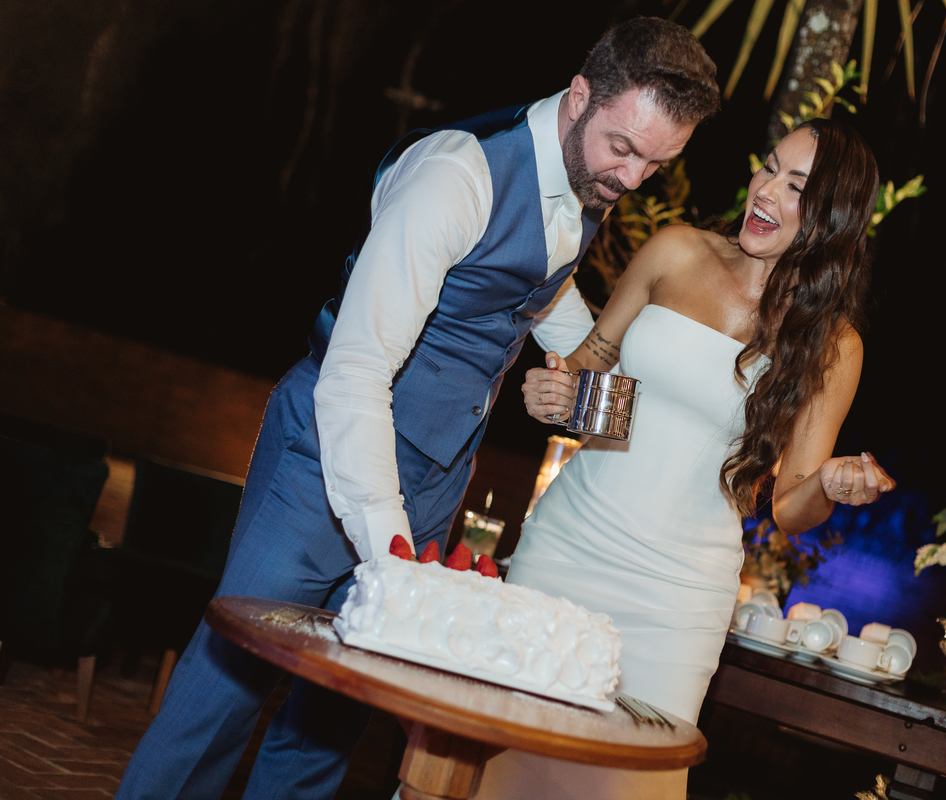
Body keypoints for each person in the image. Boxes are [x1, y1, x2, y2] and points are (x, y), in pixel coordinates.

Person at [114, 18, 720, 800]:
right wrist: (390, 551)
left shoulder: (583, 176)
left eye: (657, 164)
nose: (633, 177)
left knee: (331, 721)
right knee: (226, 688)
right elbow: (355, 370)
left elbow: (536, 283)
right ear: (579, 96)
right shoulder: (455, 177)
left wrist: (618, 370)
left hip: (437, 476)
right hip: (324, 459)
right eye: (624, 148)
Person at [475, 117, 894, 800]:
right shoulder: (675, 250)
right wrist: (555, 391)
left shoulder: (833, 345)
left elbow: (792, 509)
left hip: (679, 598)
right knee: (496, 758)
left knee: (626, 786)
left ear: (833, 218)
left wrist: (828, 482)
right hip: (568, 547)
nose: (766, 190)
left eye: (796, 187)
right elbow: (591, 365)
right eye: (768, 168)